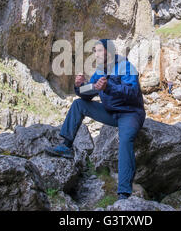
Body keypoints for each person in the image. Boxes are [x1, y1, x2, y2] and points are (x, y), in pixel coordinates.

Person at [45, 39, 146, 200]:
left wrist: (109, 87)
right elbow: (89, 91)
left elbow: (132, 92)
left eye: (99, 50)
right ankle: (66, 146)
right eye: (95, 51)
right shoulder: (100, 71)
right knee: (79, 104)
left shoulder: (126, 67)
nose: (96, 54)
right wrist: (79, 86)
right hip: (110, 112)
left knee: (126, 140)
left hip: (130, 113)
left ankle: (124, 193)